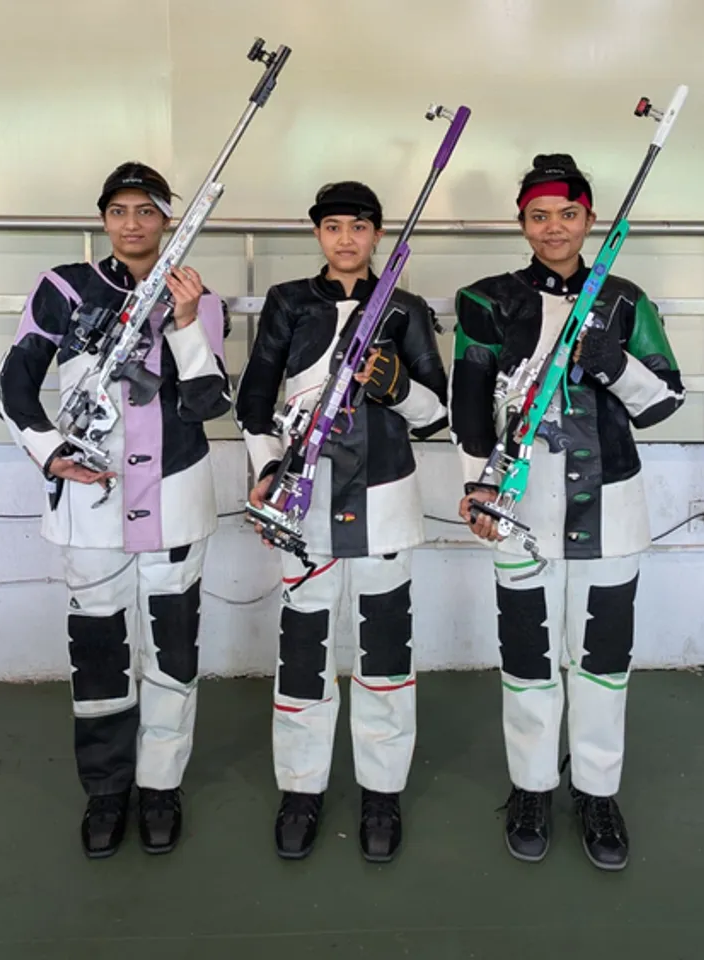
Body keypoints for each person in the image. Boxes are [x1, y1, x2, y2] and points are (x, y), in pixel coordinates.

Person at [449, 154, 685, 870]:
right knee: (527, 661)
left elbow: (664, 401)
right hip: (516, 507)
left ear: (589, 219)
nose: (554, 228)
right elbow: (468, 406)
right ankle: (531, 787)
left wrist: (613, 362)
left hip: (611, 510)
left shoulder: (624, 300)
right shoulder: (484, 301)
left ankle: (596, 790)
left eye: (568, 214)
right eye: (539, 215)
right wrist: (478, 489)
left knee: (603, 664)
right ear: (521, 222)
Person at [0, 162, 232, 858]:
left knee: (173, 653)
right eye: (120, 211)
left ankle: (161, 786)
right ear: (104, 219)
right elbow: (14, 381)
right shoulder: (65, 288)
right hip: (90, 507)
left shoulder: (198, 297)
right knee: (99, 654)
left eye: (146, 211)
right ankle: (106, 790)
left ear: (167, 221)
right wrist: (49, 453)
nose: (132, 224)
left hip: (176, 502)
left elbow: (209, 402)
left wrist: (185, 323)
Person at [237, 181, 447, 862]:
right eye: (333, 226)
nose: (346, 239)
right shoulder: (287, 303)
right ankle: (301, 789)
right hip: (304, 503)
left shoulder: (406, 309)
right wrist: (269, 469)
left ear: (378, 234)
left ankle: (382, 791)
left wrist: (396, 387)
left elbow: (437, 414)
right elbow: (254, 398)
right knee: (303, 654)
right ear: (318, 234)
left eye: (359, 226)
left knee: (385, 656)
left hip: (386, 503)